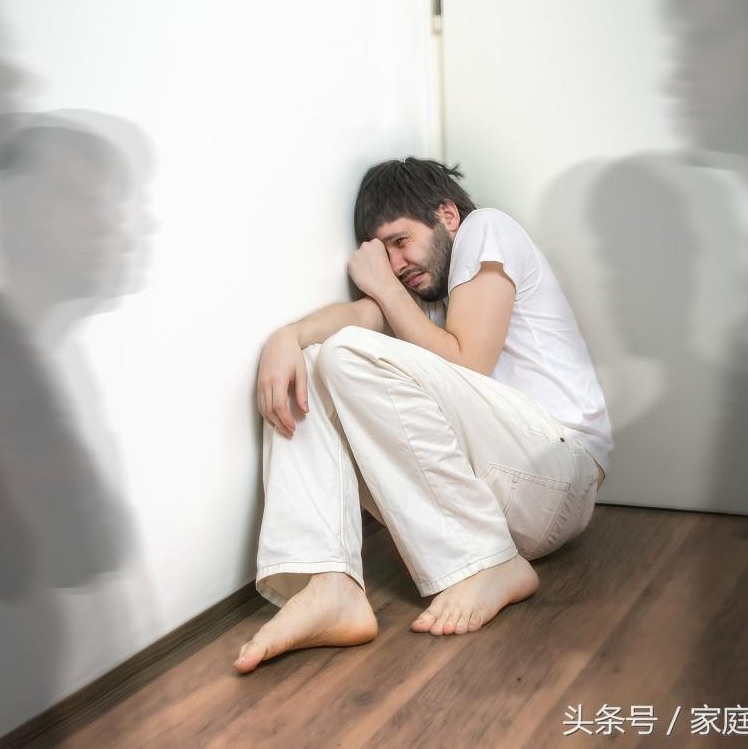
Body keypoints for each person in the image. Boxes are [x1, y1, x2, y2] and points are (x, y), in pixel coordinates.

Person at [234, 157, 611, 674]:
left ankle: (489, 563)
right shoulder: (421, 295)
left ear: (447, 216)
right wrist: (287, 338)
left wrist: (385, 289)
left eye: (400, 241)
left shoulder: (487, 229)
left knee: (346, 353)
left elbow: (469, 363)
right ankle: (328, 581)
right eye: (383, 253)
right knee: (317, 360)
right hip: (496, 499)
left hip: (558, 474)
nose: (395, 264)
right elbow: (352, 320)